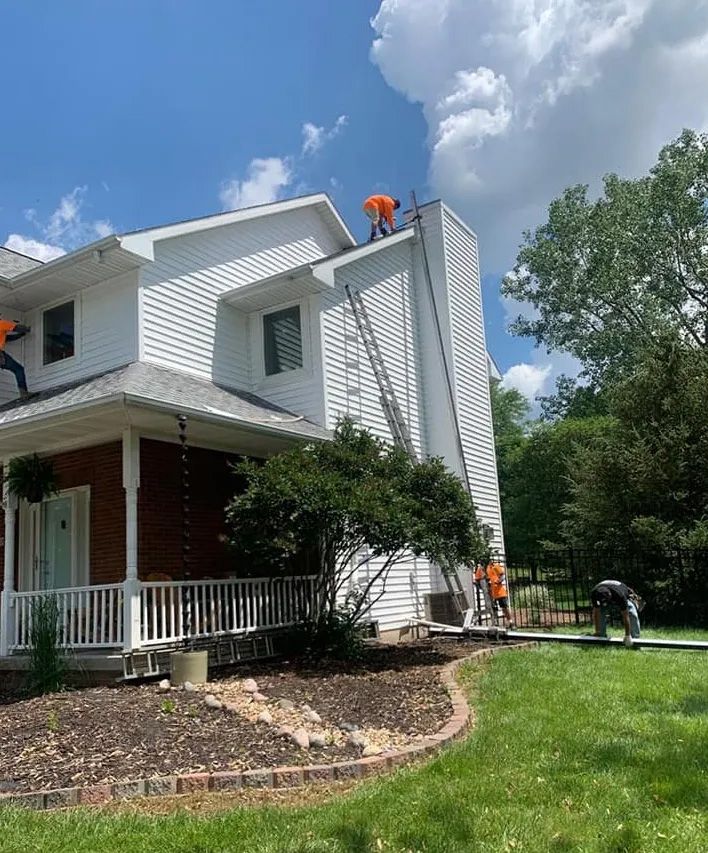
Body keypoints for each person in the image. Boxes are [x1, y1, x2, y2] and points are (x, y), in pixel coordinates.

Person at [590, 579, 643, 644]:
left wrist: (627, 635)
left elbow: (626, 616)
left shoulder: (619, 595)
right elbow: (596, 613)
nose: (606, 605)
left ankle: (635, 638)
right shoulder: (595, 594)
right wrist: (597, 631)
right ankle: (601, 636)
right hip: (605, 590)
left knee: (632, 612)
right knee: (600, 611)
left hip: (620, 592)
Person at [475, 557, 514, 628]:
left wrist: (498, 581)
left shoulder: (495, 566)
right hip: (490, 593)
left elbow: (502, 575)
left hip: (499, 591)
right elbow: (477, 580)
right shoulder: (480, 569)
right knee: (493, 608)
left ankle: (511, 622)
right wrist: (482, 588)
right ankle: (495, 623)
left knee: (504, 607)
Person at [0, 317, 31, 400]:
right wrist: (26, 329)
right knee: (18, 369)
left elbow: (7, 338)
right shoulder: (1, 323)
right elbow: (17, 328)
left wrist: (20, 335)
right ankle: (24, 393)